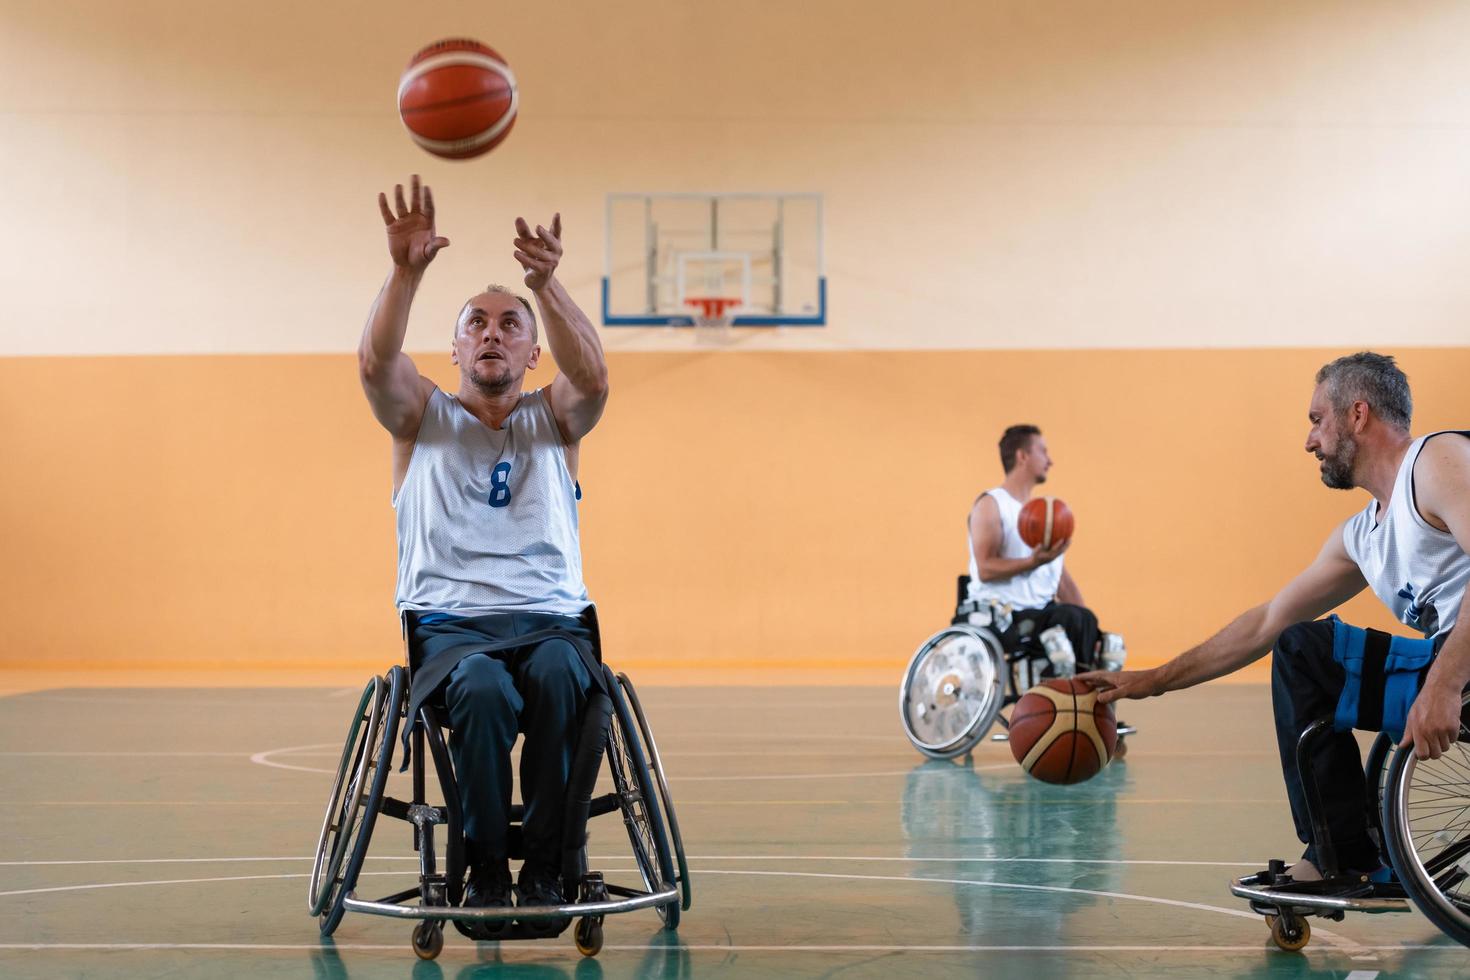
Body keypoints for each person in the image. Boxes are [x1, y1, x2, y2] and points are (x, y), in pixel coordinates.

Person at [1081, 352, 1469, 886]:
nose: (1309, 440)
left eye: (1316, 419)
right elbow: (1265, 624)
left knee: (1309, 650)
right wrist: (1149, 681)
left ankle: (1345, 853)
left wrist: (1446, 686)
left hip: (1460, 673)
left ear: (1358, 415)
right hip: (1454, 662)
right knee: (1300, 648)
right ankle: (1344, 853)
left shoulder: (1436, 461)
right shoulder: (1361, 537)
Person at [358, 174, 609, 936]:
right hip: (452, 628)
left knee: (568, 676)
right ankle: (486, 869)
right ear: (458, 345)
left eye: (511, 324)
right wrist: (406, 273)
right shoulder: (420, 416)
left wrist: (548, 284)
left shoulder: (555, 420)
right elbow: (375, 364)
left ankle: (547, 868)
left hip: (552, 623)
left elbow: (592, 377)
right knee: (482, 690)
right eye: (477, 323)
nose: (493, 332)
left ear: (535, 353)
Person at [967, 425, 1111, 676]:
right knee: (1068, 623)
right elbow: (986, 569)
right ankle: (1063, 707)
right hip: (1003, 615)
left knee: (1104, 641)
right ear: (1022, 456)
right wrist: (1033, 561)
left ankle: (1096, 713)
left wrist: (1093, 630)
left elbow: (1061, 581)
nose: (1050, 461)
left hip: (1042, 613)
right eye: (1043, 452)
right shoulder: (992, 504)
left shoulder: (1044, 519)